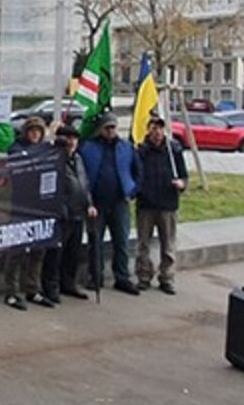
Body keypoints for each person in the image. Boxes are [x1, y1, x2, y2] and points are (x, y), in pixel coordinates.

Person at [79, 113, 140, 296]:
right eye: (107, 127)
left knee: (121, 241)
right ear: (100, 129)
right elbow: (82, 174)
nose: (111, 131)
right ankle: (95, 276)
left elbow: (137, 171)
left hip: (120, 201)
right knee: (95, 241)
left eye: (113, 127)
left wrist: (133, 190)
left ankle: (122, 277)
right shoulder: (88, 147)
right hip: (96, 203)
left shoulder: (126, 148)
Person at [2, 116, 55, 310]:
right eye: (32, 130)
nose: (35, 134)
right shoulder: (16, 148)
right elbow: (21, 159)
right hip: (19, 206)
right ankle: (11, 292)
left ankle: (33, 289)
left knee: (38, 250)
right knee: (16, 252)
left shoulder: (45, 149)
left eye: (38, 131)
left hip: (39, 206)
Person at [135, 117, 188, 295]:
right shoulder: (142, 152)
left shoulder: (174, 151)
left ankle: (167, 277)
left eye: (160, 129)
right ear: (148, 130)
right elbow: (134, 174)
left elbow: (183, 175)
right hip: (146, 205)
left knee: (168, 244)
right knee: (143, 243)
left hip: (168, 204)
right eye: (153, 128)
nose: (157, 132)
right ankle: (143, 276)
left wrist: (182, 184)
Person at [53, 125, 96, 301]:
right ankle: (53, 286)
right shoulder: (55, 159)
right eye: (67, 138)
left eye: (74, 139)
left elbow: (84, 184)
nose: (71, 142)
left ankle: (69, 284)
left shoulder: (78, 159)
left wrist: (90, 204)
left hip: (78, 212)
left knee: (74, 252)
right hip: (63, 214)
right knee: (57, 254)